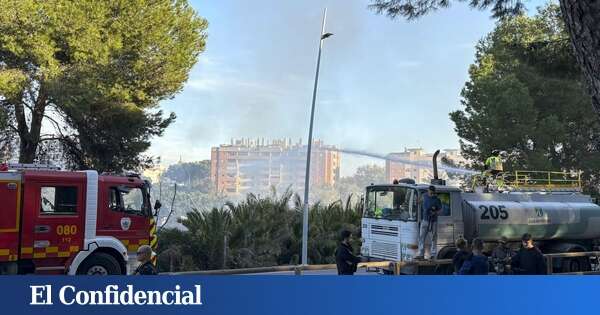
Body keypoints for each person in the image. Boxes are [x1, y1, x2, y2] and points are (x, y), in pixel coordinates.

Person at [416, 186, 442, 260]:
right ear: (428, 191)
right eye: (430, 192)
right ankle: (421, 254)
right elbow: (419, 202)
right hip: (425, 220)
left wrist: (435, 212)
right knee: (421, 237)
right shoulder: (424, 196)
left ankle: (433, 254)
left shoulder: (437, 200)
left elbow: (440, 210)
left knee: (433, 237)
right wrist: (417, 201)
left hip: (433, 221)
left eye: (433, 193)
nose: (432, 194)